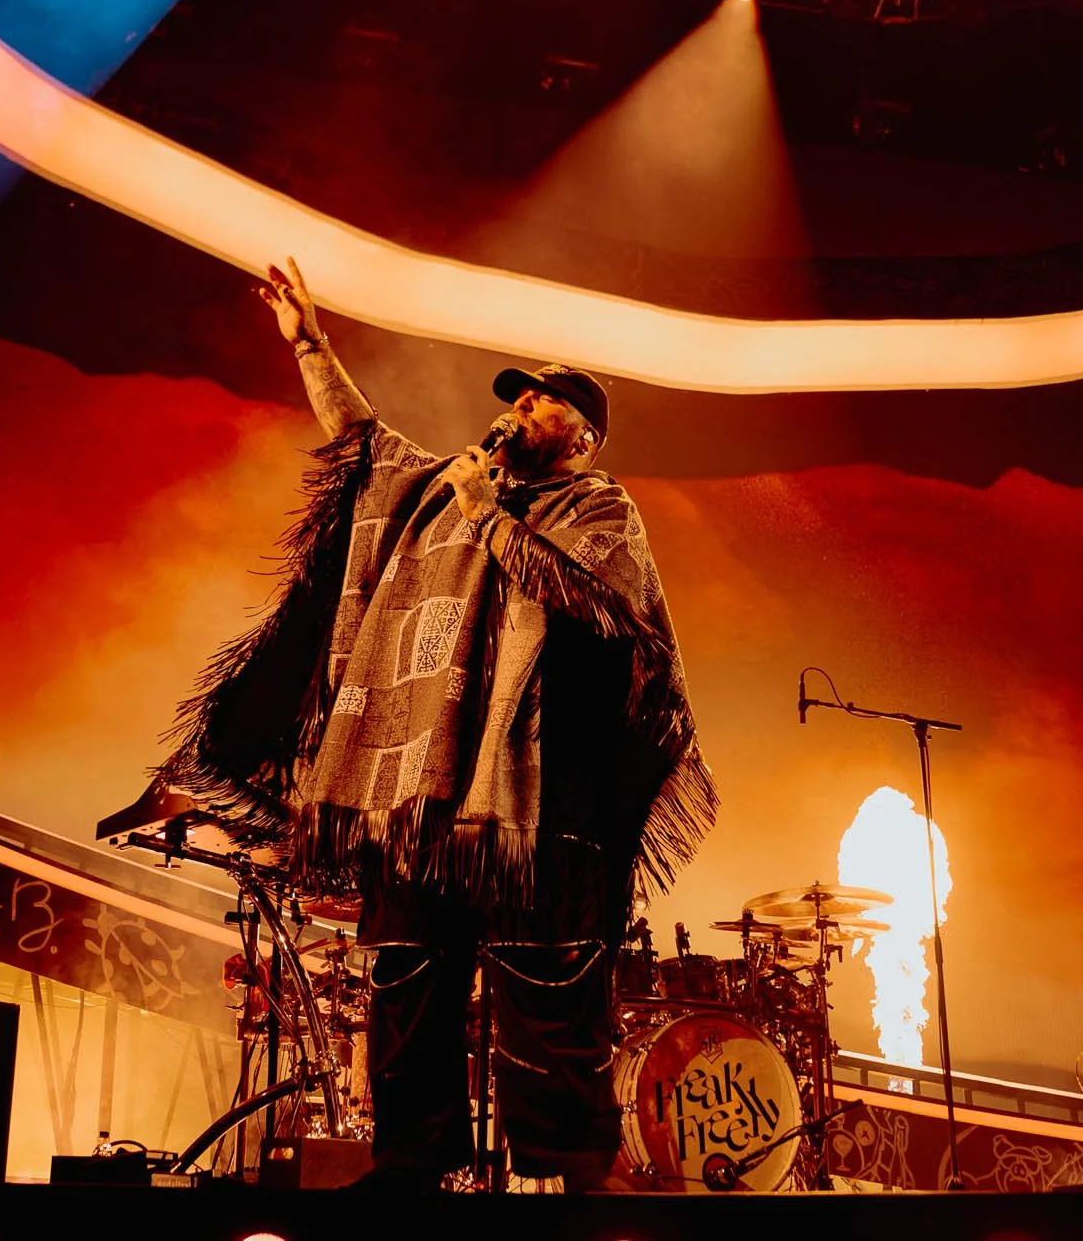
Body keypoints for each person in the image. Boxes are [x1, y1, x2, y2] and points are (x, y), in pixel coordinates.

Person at [158, 259, 715, 1188]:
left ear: (582, 437)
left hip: (530, 794)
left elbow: (593, 600)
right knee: (406, 980)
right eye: (518, 397)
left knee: (546, 990)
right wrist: (310, 346)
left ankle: (577, 1175)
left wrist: (487, 511)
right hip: (416, 790)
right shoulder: (437, 492)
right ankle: (409, 1164)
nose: (520, 409)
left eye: (541, 402)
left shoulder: (597, 505)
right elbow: (363, 443)